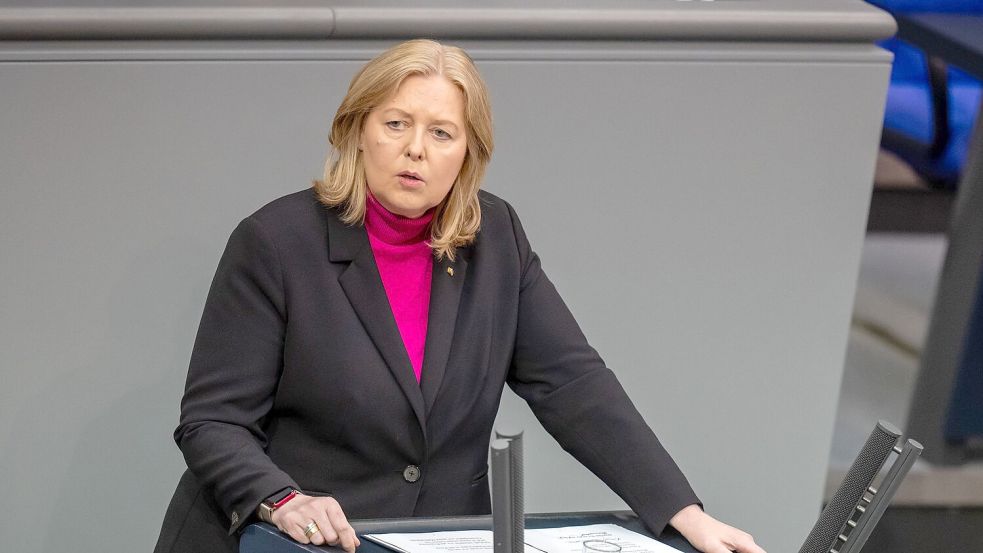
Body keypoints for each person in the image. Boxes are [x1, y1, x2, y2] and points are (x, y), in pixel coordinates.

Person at [154, 39, 765, 553]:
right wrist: (282, 500)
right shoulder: (276, 241)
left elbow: (572, 383)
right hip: (285, 542)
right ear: (356, 130)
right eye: (396, 124)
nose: (416, 149)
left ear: (468, 153)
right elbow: (213, 421)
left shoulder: (495, 237)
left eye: (442, 133)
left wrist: (680, 509)